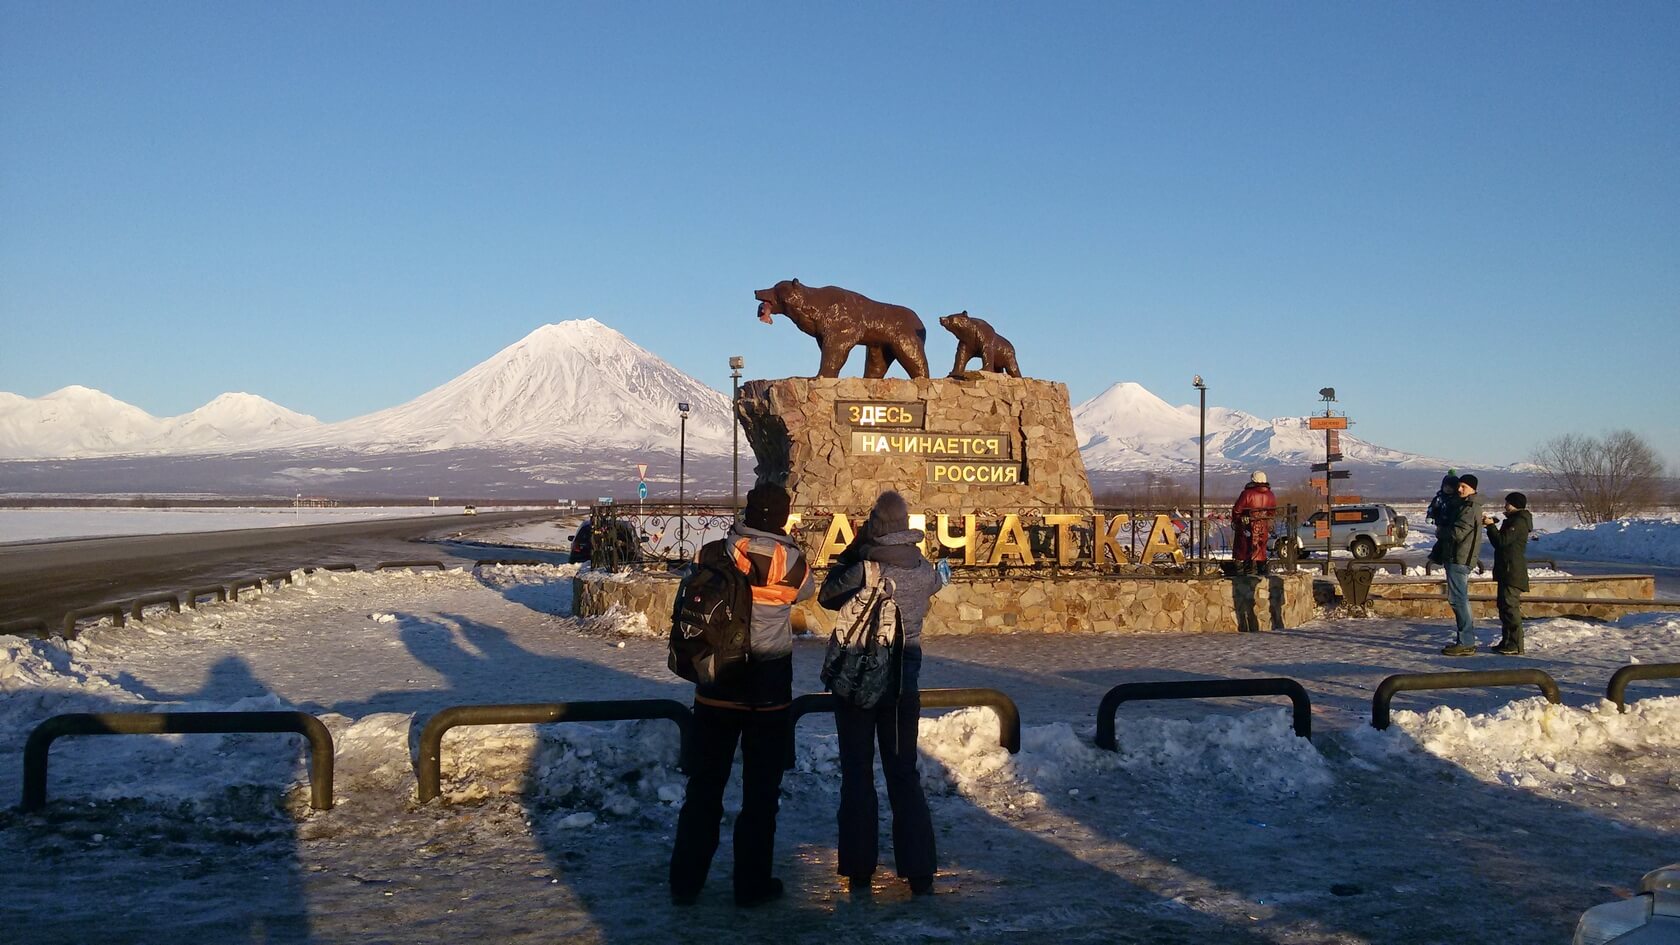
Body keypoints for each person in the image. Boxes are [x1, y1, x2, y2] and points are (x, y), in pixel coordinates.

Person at [670, 482, 813, 907]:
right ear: (783, 518)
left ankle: (685, 881)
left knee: (704, 790)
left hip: (715, 686)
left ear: (747, 512)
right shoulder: (792, 563)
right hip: (768, 695)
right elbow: (805, 593)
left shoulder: (713, 552)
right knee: (760, 797)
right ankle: (751, 886)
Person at [818, 490, 943, 896]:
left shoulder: (864, 568)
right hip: (903, 688)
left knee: (857, 773)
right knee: (903, 772)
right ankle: (920, 870)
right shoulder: (923, 570)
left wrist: (854, 550)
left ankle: (859, 870)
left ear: (874, 526)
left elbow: (826, 595)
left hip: (857, 684)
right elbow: (934, 586)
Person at [1430, 473, 1483, 656]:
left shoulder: (1469, 508)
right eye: (1459, 486)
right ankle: (1465, 640)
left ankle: (1466, 641)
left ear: (1472, 489)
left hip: (1459, 558)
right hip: (1456, 557)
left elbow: (1458, 533)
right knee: (1458, 599)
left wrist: (1440, 531)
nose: (1459, 489)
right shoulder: (1464, 505)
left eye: (1464, 487)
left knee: (1458, 600)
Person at [1485, 492, 1533, 655]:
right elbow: (1500, 542)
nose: (1505, 505)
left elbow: (1502, 541)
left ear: (1514, 504)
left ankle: (1515, 643)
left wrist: (1491, 526)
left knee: (1510, 607)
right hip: (1505, 569)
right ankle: (1506, 641)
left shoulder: (1518, 522)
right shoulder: (1512, 520)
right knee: (1504, 607)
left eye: (1507, 503)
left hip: (1512, 571)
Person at [1230, 471, 1278, 574]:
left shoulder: (1247, 494)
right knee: (1260, 550)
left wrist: (1238, 520)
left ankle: (1245, 571)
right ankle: (1261, 571)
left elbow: (1237, 510)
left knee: (1245, 549)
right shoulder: (1270, 494)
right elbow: (1272, 512)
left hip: (1247, 526)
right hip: (1262, 527)